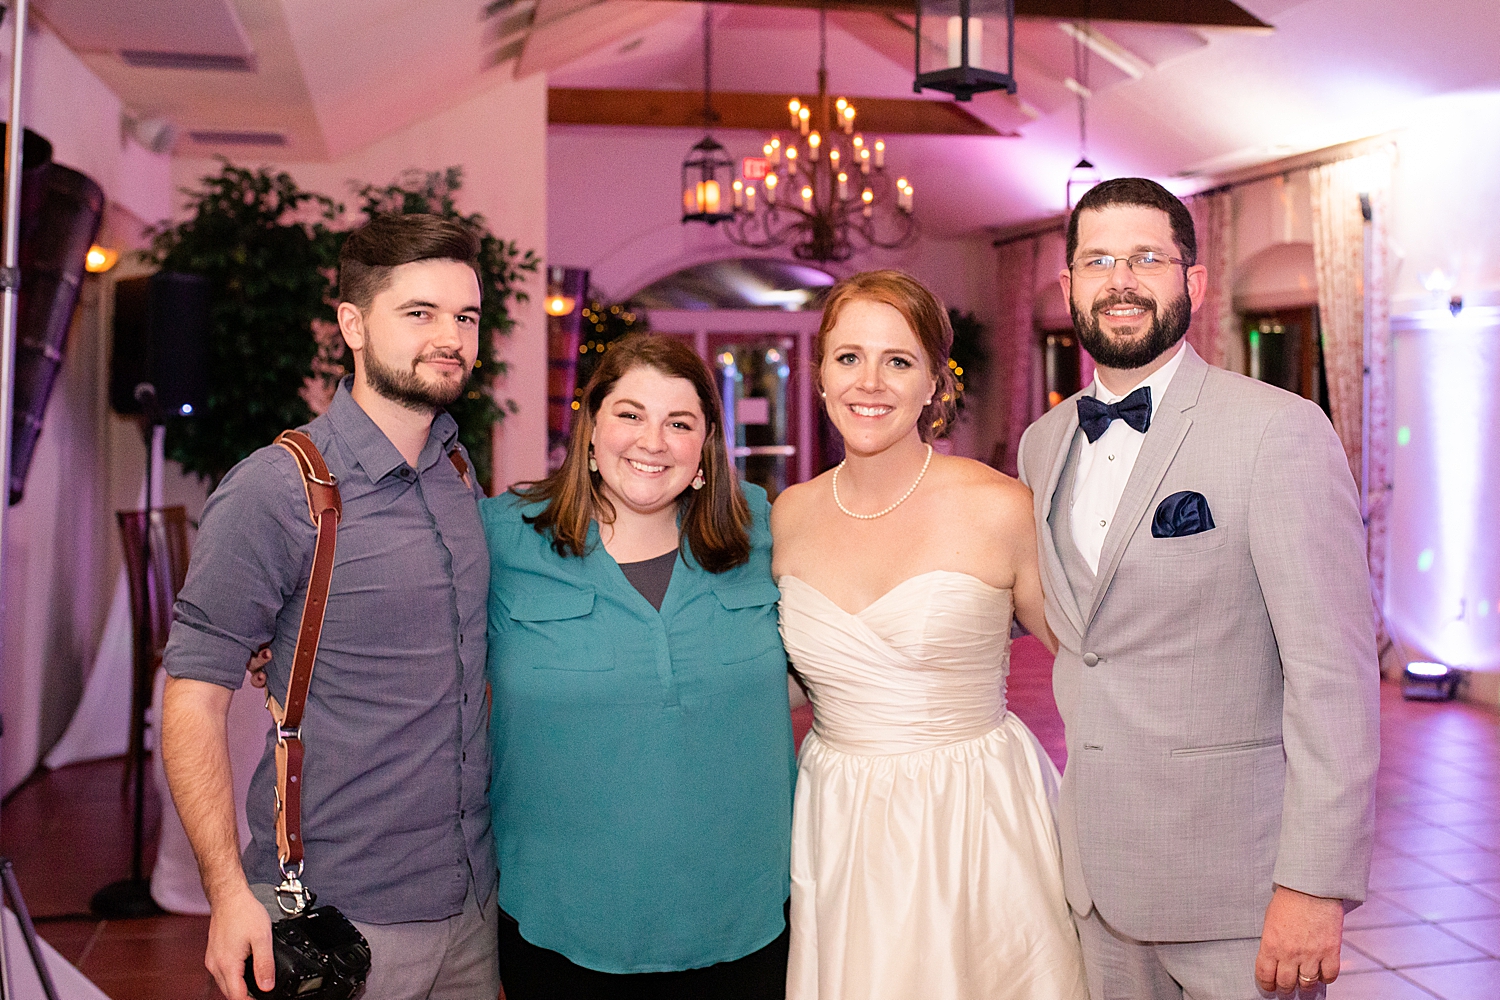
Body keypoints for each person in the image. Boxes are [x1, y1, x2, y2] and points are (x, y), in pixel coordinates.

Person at [1017, 177, 1380, 999]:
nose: (1121, 280)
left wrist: (1314, 885)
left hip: (1239, 893)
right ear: (1070, 283)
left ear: (1195, 281)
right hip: (1098, 881)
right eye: (1098, 260)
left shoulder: (1278, 431)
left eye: (1147, 258)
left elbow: (1334, 678)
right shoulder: (1042, 446)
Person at [161, 213, 499, 1000]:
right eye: (419, 313)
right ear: (352, 323)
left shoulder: (456, 469)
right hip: (337, 917)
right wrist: (224, 893)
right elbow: (192, 703)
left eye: (466, 317)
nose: (449, 336)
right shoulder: (276, 490)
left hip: (471, 903)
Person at [772, 270, 1089, 1000]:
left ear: (933, 386)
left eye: (899, 360)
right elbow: (783, 678)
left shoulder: (998, 506)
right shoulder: (788, 515)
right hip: (839, 818)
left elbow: (1092, 662)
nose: (870, 382)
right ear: (820, 375)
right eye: (848, 357)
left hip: (972, 819)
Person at [483, 334, 796, 999]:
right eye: (629, 414)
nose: (652, 441)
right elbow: (400, 630)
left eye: (679, 423)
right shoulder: (502, 536)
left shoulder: (766, 531)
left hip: (743, 924)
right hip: (563, 928)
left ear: (706, 447)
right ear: (591, 429)